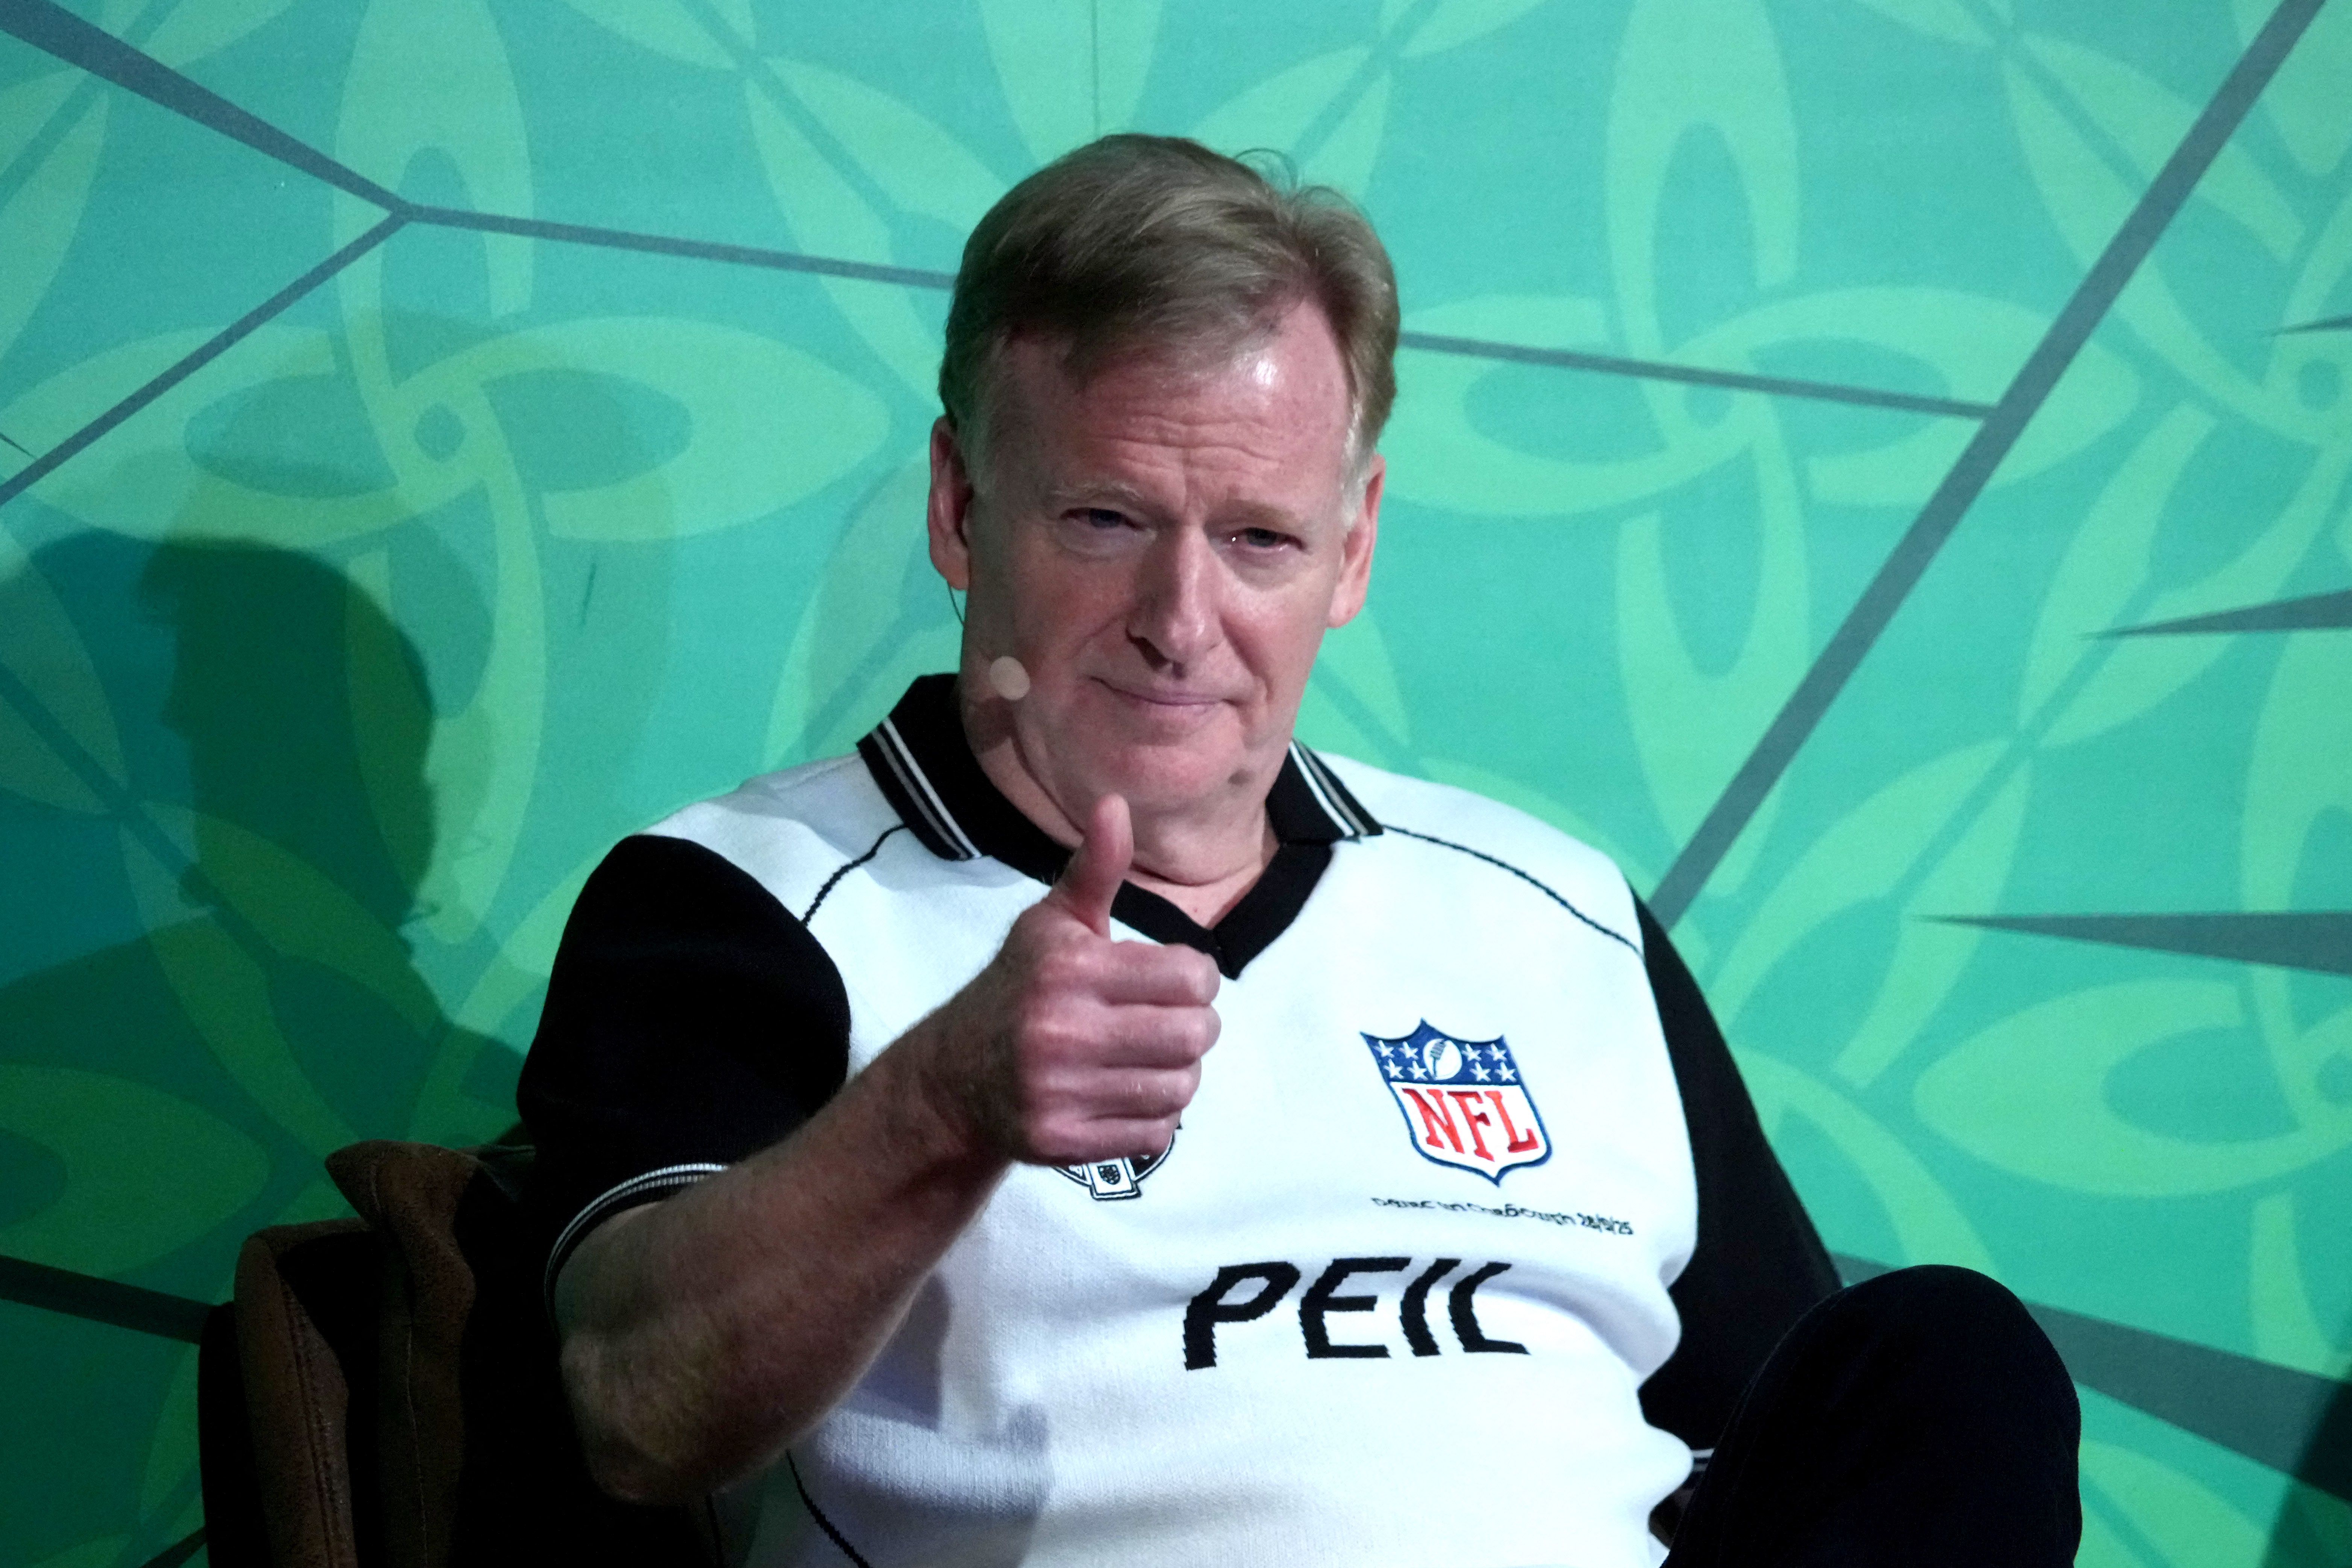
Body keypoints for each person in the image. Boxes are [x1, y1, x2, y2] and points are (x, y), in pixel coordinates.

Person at [519, 135, 2080, 1567]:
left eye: (1257, 538)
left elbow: (1764, 1438)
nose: (1179, 622)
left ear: (1354, 546)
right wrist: (945, 1105)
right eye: (1107, 520)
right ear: (958, 504)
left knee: (1950, 1361)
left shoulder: (1556, 913)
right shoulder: (747, 897)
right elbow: (636, 1408)